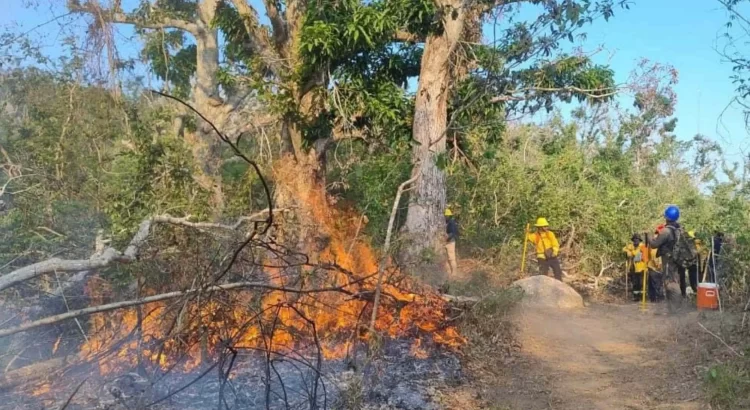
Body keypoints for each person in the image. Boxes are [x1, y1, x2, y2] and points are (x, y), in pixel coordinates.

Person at [647, 205, 687, 312]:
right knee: (672, 281)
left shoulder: (666, 231)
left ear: (667, 217)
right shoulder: (679, 229)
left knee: (671, 283)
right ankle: (672, 308)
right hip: (677, 260)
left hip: (669, 260)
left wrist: (649, 236)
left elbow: (654, 244)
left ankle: (677, 308)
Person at [623, 234, 649, 301]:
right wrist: (628, 251)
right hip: (633, 268)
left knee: (641, 283)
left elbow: (637, 254)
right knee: (635, 283)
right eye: (634, 240)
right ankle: (636, 297)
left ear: (639, 240)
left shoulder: (642, 246)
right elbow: (624, 249)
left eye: (637, 239)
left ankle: (642, 296)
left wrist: (631, 252)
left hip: (641, 268)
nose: (636, 241)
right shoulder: (631, 246)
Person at [646, 232, 664, 302]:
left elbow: (655, 258)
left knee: (655, 284)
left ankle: (656, 298)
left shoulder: (653, 247)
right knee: (655, 284)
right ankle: (656, 299)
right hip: (654, 268)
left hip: (654, 268)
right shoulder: (653, 247)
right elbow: (654, 258)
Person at [444, 208, 459, 277]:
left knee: (451, 258)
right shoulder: (447, 223)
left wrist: (447, 238)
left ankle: (454, 273)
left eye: (446, 216)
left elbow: (453, 233)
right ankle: (448, 273)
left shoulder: (451, 223)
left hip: (450, 242)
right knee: (445, 258)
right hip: (447, 241)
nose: (445, 217)